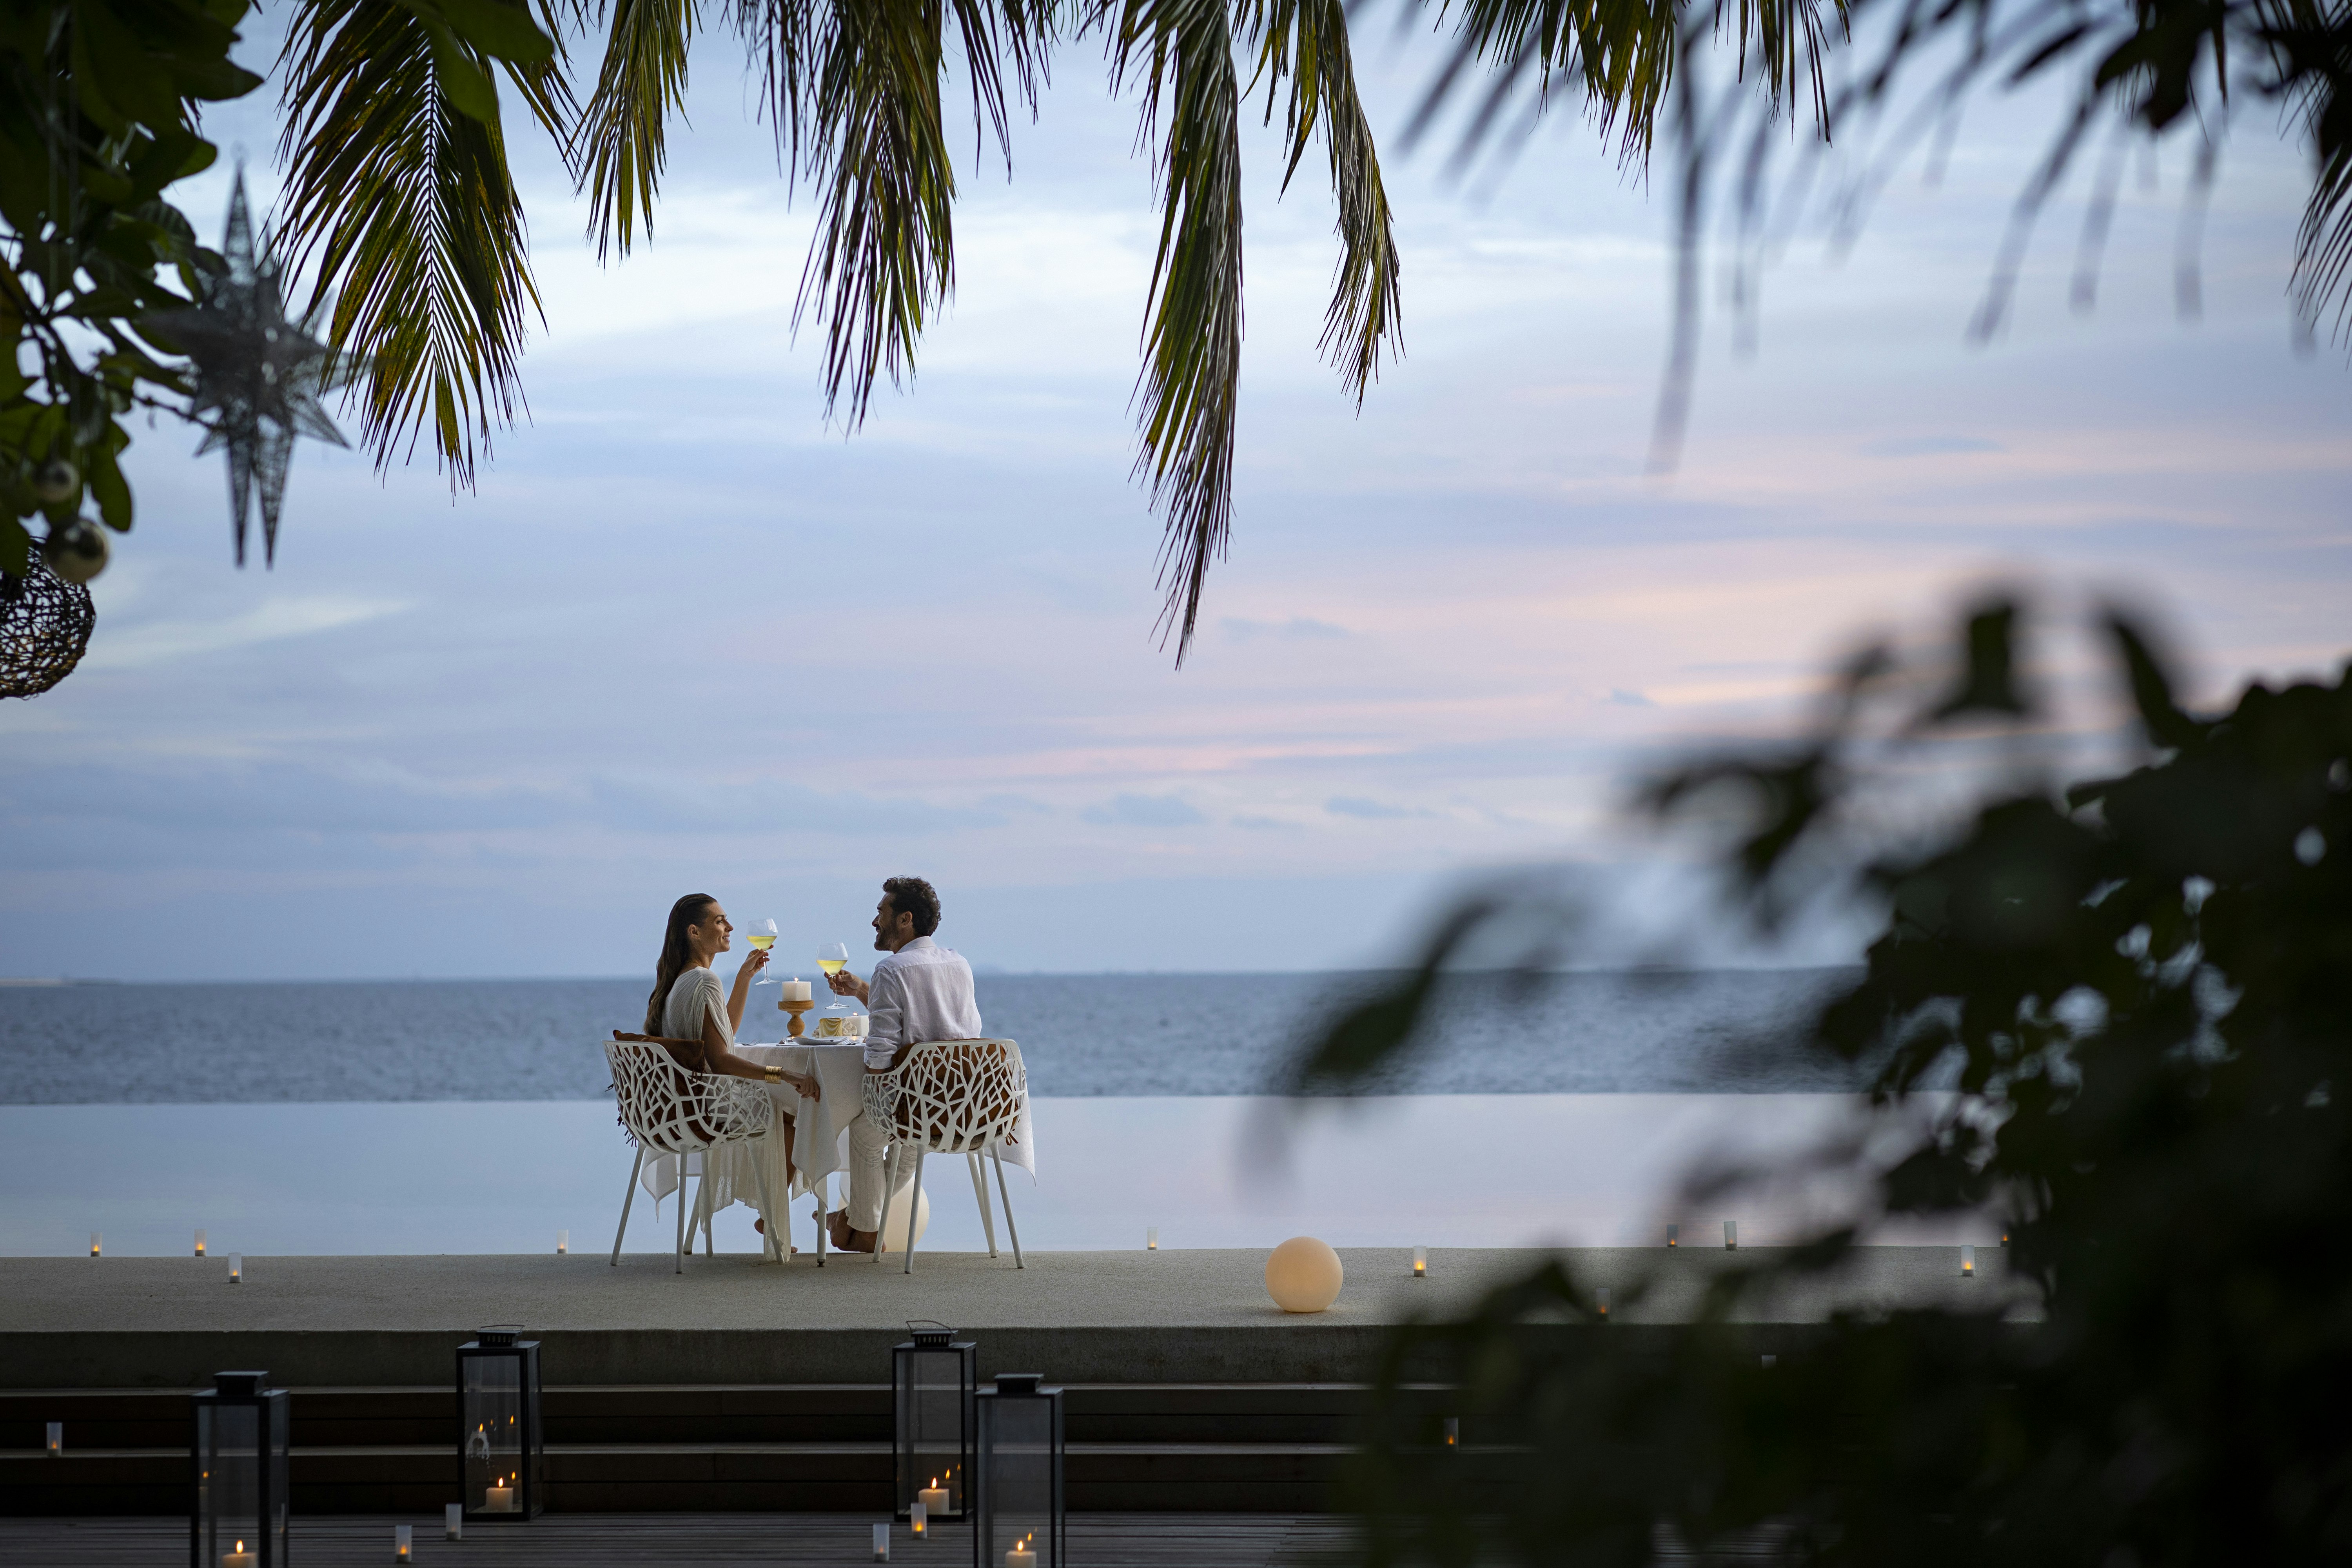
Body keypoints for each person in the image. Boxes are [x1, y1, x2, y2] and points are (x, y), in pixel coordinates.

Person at [822, 875, 981, 1253]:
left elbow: (879, 1052)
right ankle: (847, 1220)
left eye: (881, 912)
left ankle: (860, 1229)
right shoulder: (959, 963)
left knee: (865, 1134)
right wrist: (864, 991)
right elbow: (954, 1031)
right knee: (909, 1141)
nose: (875, 922)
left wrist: (872, 1098)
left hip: (914, 1104)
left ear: (905, 919)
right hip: (962, 1105)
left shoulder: (891, 970)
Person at [644, 894, 821, 1189]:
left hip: (681, 1106)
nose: (731, 927)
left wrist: (743, 978)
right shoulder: (703, 980)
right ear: (694, 932)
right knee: (802, 1117)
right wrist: (785, 1075)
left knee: (789, 1116)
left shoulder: (683, 978)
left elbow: (723, 1036)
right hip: (705, 1108)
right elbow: (721, 1061)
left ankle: (769, 1215)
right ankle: (772, 1217)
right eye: (720, 921)